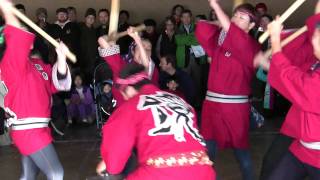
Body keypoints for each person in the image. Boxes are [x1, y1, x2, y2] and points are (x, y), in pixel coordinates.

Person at [96, 63, 216, 180]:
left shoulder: (132, 105)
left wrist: (108, 165)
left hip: (160, 174)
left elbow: (113, 162)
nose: (126, 99)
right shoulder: (179, 100)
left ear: (129, 89)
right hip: (204, 172)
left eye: (124, 95)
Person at [0, 1, 72, 179]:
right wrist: (8, 12)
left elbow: (58, 84)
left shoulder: (39, 64)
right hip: (28, 129)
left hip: (39, 129)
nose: (27, 37)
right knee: (56, 173)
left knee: (28, 175)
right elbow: (16, 38)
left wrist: (61, 57)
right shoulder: (12, 64)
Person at [195, 1, 260, 180]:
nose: (236, 19)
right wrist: (220, 23)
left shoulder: (251, 46)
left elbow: (235, 35)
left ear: (252, 26)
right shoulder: (220, 42)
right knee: (208, 149)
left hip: (235, 108)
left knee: (241, 151)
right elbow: (201, 28)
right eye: (235, 15)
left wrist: (216, 6)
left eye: (242, 18)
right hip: (212, 104)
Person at [254, 2, 320, 179]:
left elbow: (297, 82)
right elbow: (292, 74)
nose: (314, 38)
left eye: (318, 35)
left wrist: (275, 41)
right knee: (272, 168)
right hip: (302, 144)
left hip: (315, 149)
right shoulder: (314, 63)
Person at [98, 27, 159, 107]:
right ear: (133, 52)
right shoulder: (121, 65)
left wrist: (138, 40)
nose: (146, 50)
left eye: (149, 48)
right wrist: (121, 34)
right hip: (125, 112)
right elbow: (102, 40)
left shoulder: (154, 70)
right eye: (142, 46)